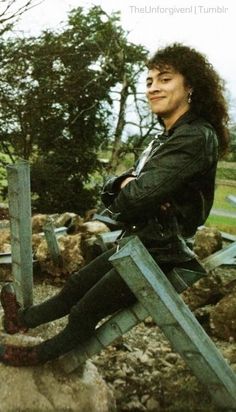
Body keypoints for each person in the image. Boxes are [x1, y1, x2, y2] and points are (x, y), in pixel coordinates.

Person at [0, 43, 230, 366]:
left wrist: (132, 191)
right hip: (145, 240)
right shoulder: (165, 137)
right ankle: (21, 321)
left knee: (84, 309)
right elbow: (114, 191)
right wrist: (127, 187)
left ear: (190, 85)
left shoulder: (195, 137)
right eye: (149, 81)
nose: (153, 88)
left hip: (163, 253)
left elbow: (134, 198)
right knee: (77, 284)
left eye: (164, 79)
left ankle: (39, 355)